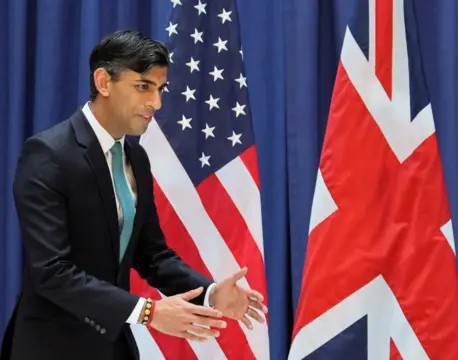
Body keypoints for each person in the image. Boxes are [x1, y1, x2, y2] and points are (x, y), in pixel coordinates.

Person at [0, 30, 268, 360]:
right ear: (103, 82)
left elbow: (152, 255)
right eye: (143, 86)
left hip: (113, 347)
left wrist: (210, 294)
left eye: (160, 89)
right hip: (51, 346)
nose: (155, 102)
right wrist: (149, 313)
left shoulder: (135, 158)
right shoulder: (47, 154)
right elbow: (52, 272)